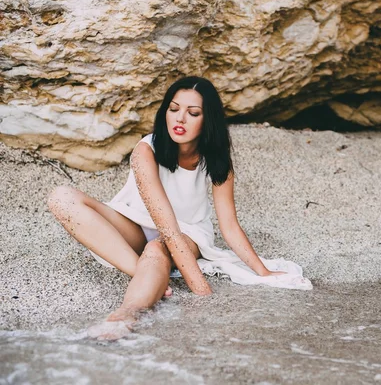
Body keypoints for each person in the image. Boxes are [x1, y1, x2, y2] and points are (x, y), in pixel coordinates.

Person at [47, 76, 311, 341]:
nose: (180, 119)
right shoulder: (145, 150)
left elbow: (227, 226)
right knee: (62, 197)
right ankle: (145, 272)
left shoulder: (217, 161)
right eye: (173, 109)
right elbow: (161, 221)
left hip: (188, 233)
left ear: (208, 120)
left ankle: (126, 315)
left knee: (157, 248)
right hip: (137, 223)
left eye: (192, 113)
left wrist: (261, 272)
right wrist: (200, 287)